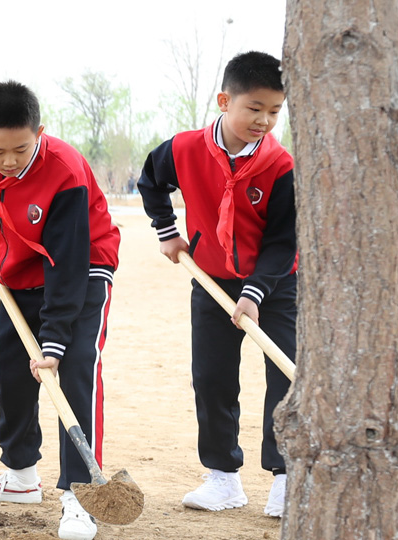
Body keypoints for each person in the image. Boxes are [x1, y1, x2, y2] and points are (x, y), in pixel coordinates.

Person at [0, 81, 120, 540]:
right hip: (20, 270)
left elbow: (69, 263)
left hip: (83, 268)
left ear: (40, 132)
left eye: (21, 149)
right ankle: (21, 476)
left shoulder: (65, 170)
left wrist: (53, 341)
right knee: (9, 365)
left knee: (74, 369)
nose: (8, 161)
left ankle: (81, 493)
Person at [138, 51, 296, 519]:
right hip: (209, 280)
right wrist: (168, 232)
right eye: (254, 108)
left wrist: (255, 293)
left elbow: (284, 241)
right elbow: (151, 181)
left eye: (274, 111)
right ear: (225, 100)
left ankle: (287, 478)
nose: (264, 120)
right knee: (211, 378)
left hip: (277, 285)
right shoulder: (184, 149)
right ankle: (223, 479)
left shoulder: (281, 165)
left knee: (283, 377)